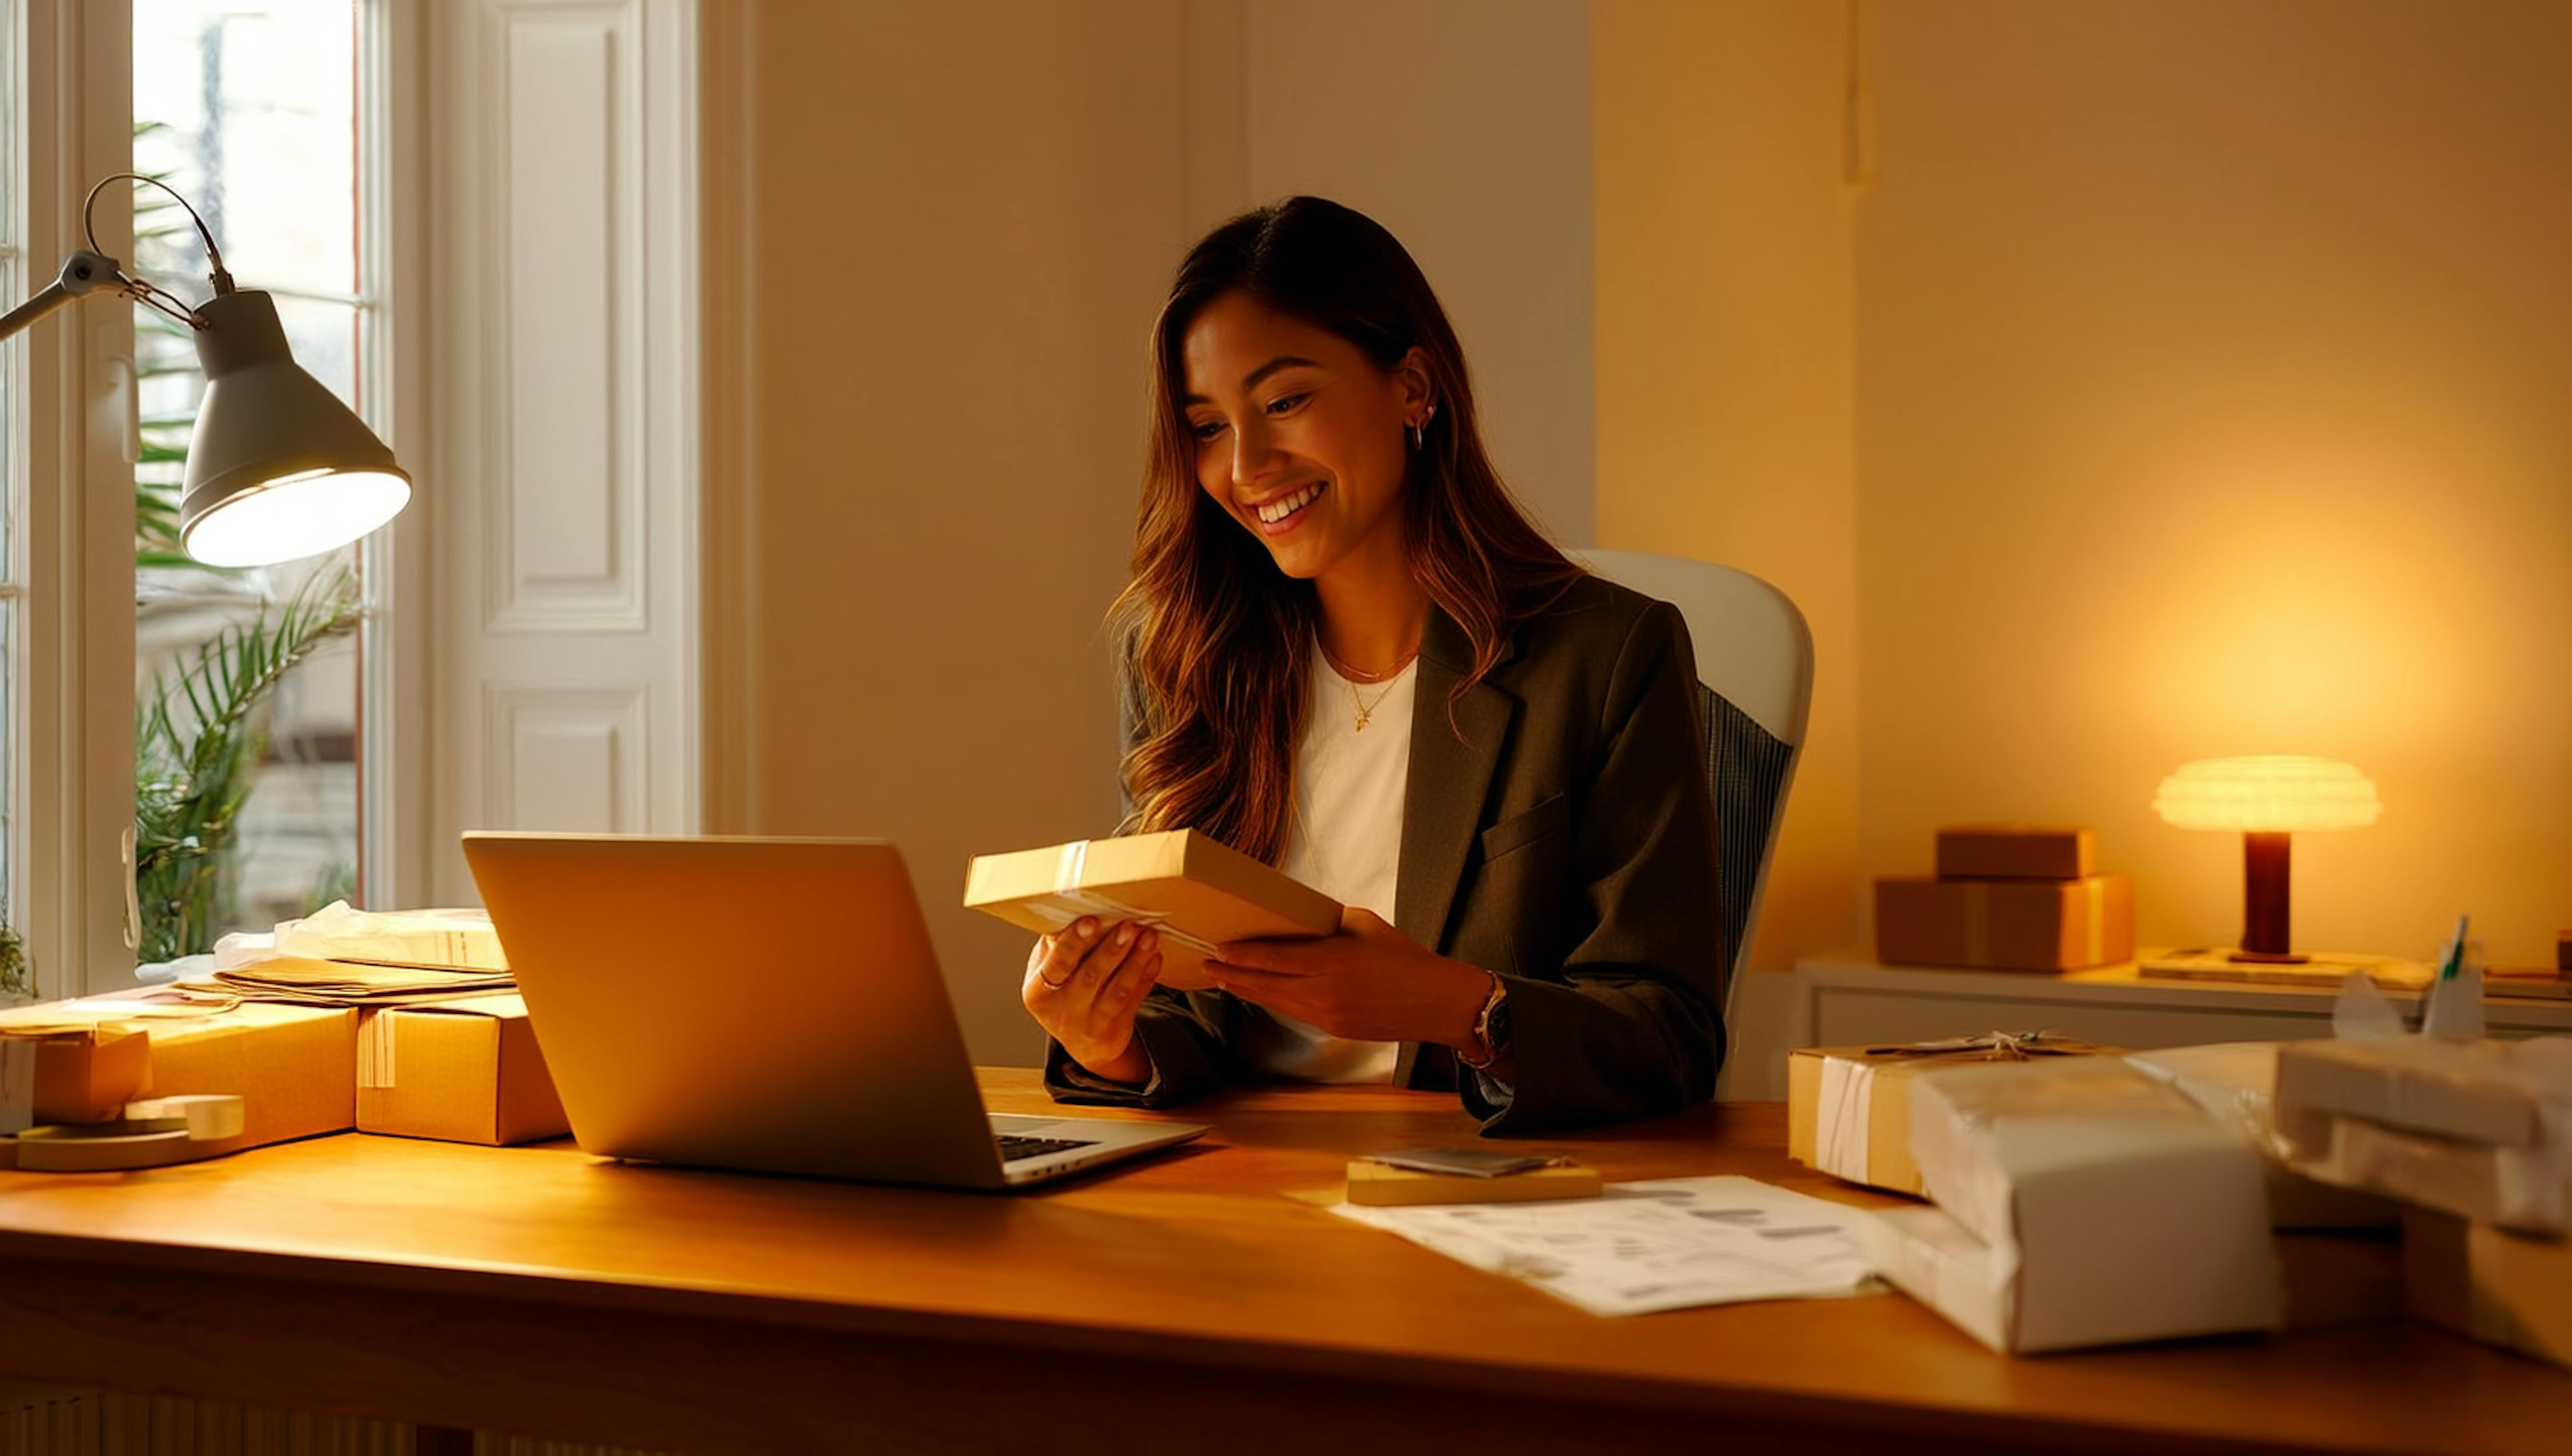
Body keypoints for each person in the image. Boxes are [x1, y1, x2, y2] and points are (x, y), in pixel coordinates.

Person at [1019, 197, 1723, 1133]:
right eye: (1208, 427)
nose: (1249, 464)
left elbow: (1670, 1035)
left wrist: (1455, 1007)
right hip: (1239, 1181)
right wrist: (1109, 1037)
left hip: (1479, 1189)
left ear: (1414, 387)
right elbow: (1190, 1012)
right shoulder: (1185, 656)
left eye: (1284, 402)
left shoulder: (1605, 657)